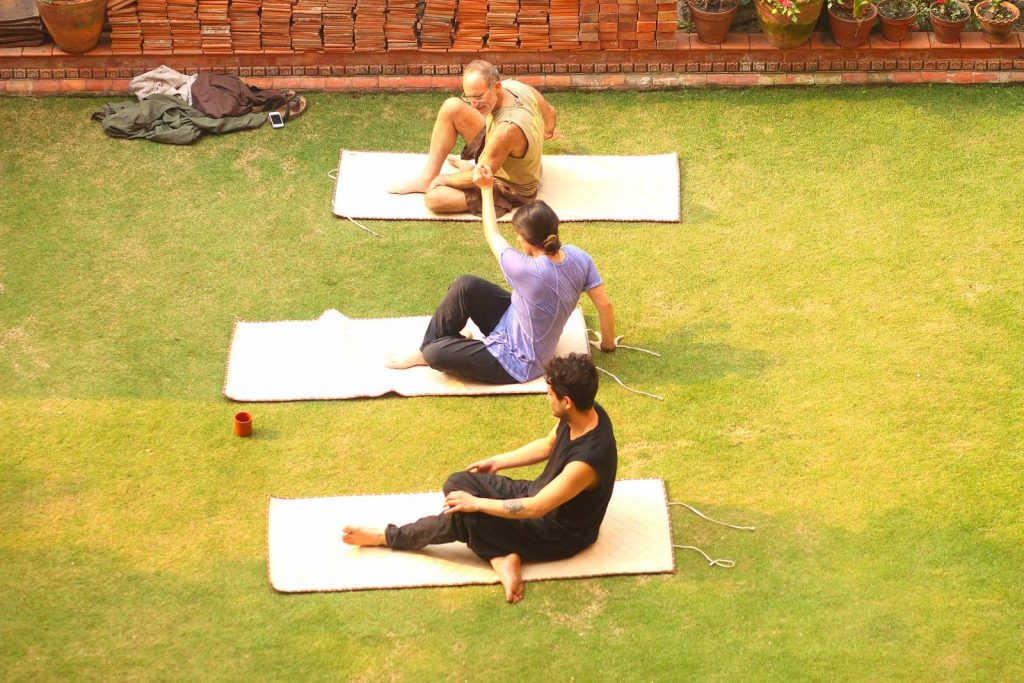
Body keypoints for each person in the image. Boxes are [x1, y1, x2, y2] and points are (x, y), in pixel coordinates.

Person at [343, 353, 617, 604]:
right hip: (536, 492)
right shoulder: (585, 412)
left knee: (463, 515)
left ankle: (386, 537)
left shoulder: (587, 461)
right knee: (457, 484)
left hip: (555, 532)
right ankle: (501, 556)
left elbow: (537, 508)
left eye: (549, 394)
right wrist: (496, 461)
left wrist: (477, 504)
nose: (547, 398)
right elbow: (547, 445)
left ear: (566, 402)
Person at [386, 162, 616, 384]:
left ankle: (428, 352)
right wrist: (607, 345)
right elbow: (605, 305)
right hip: (513, 318)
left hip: (518, 362)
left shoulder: (528, 269)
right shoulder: (578, 255)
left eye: (519, 235)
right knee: (466, 285)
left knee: (435, 353)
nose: (516, 238)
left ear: (527, 241)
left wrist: (486, 189)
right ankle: (433, 348)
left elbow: (492, 233)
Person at [388, 59, 558, 217]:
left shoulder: (506, 130)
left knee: (434, 198)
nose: (473, 105)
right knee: (452, 107)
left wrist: (442, 179)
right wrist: (544, 133)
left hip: (511, 188)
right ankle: (426, 179)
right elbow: (550, 113)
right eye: (468, 97)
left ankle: (462, 170)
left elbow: (479, 176)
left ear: (497, 87)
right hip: (502, 150)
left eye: (478, 97)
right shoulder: (515, 86)